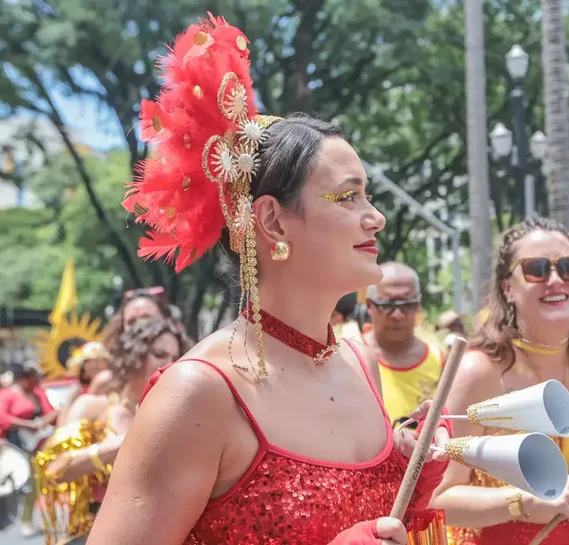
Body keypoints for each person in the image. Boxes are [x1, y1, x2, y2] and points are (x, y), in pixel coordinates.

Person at [85, 14, 449, 545]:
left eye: (368, 195)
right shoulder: (199, 394)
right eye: (347, 197)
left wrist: (409, 486)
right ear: (273, 220)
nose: (376, 217)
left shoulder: (360, 360)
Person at [432, 217, 569, 545]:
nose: (555, 279)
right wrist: (523, 502)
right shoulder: (478, 372)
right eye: (536, 268)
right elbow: (439, 499)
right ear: (507, 287)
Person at [34, 318, 186, 545]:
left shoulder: (168, 414)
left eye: (175, 358)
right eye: (159, 354)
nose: (170, 365)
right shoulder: (94, 406)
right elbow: (53, 469)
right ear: (133, 357)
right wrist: (123, 443)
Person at [363, 262, 445, 429]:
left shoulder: (439, 360)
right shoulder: (348, 356)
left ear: (418, 305)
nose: (398, 315)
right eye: (387, 305)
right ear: (369, 306)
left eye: (406, 304)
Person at [0, 361, 57, 537]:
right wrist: (26, 425)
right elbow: (2, 418)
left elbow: (51, 413)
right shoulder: (8, 395)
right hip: (13, 444)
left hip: (37, 444)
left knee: (34, 484)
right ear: (24, 379)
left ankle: (27, 519)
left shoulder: (38, 393)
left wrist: (40, 424)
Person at [58, 342, 112, 425]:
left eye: (100, 361)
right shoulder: (76, 390)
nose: (95, 366)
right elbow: (63, 423)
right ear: (83, 370)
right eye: (90, 362)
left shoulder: (114, 388)